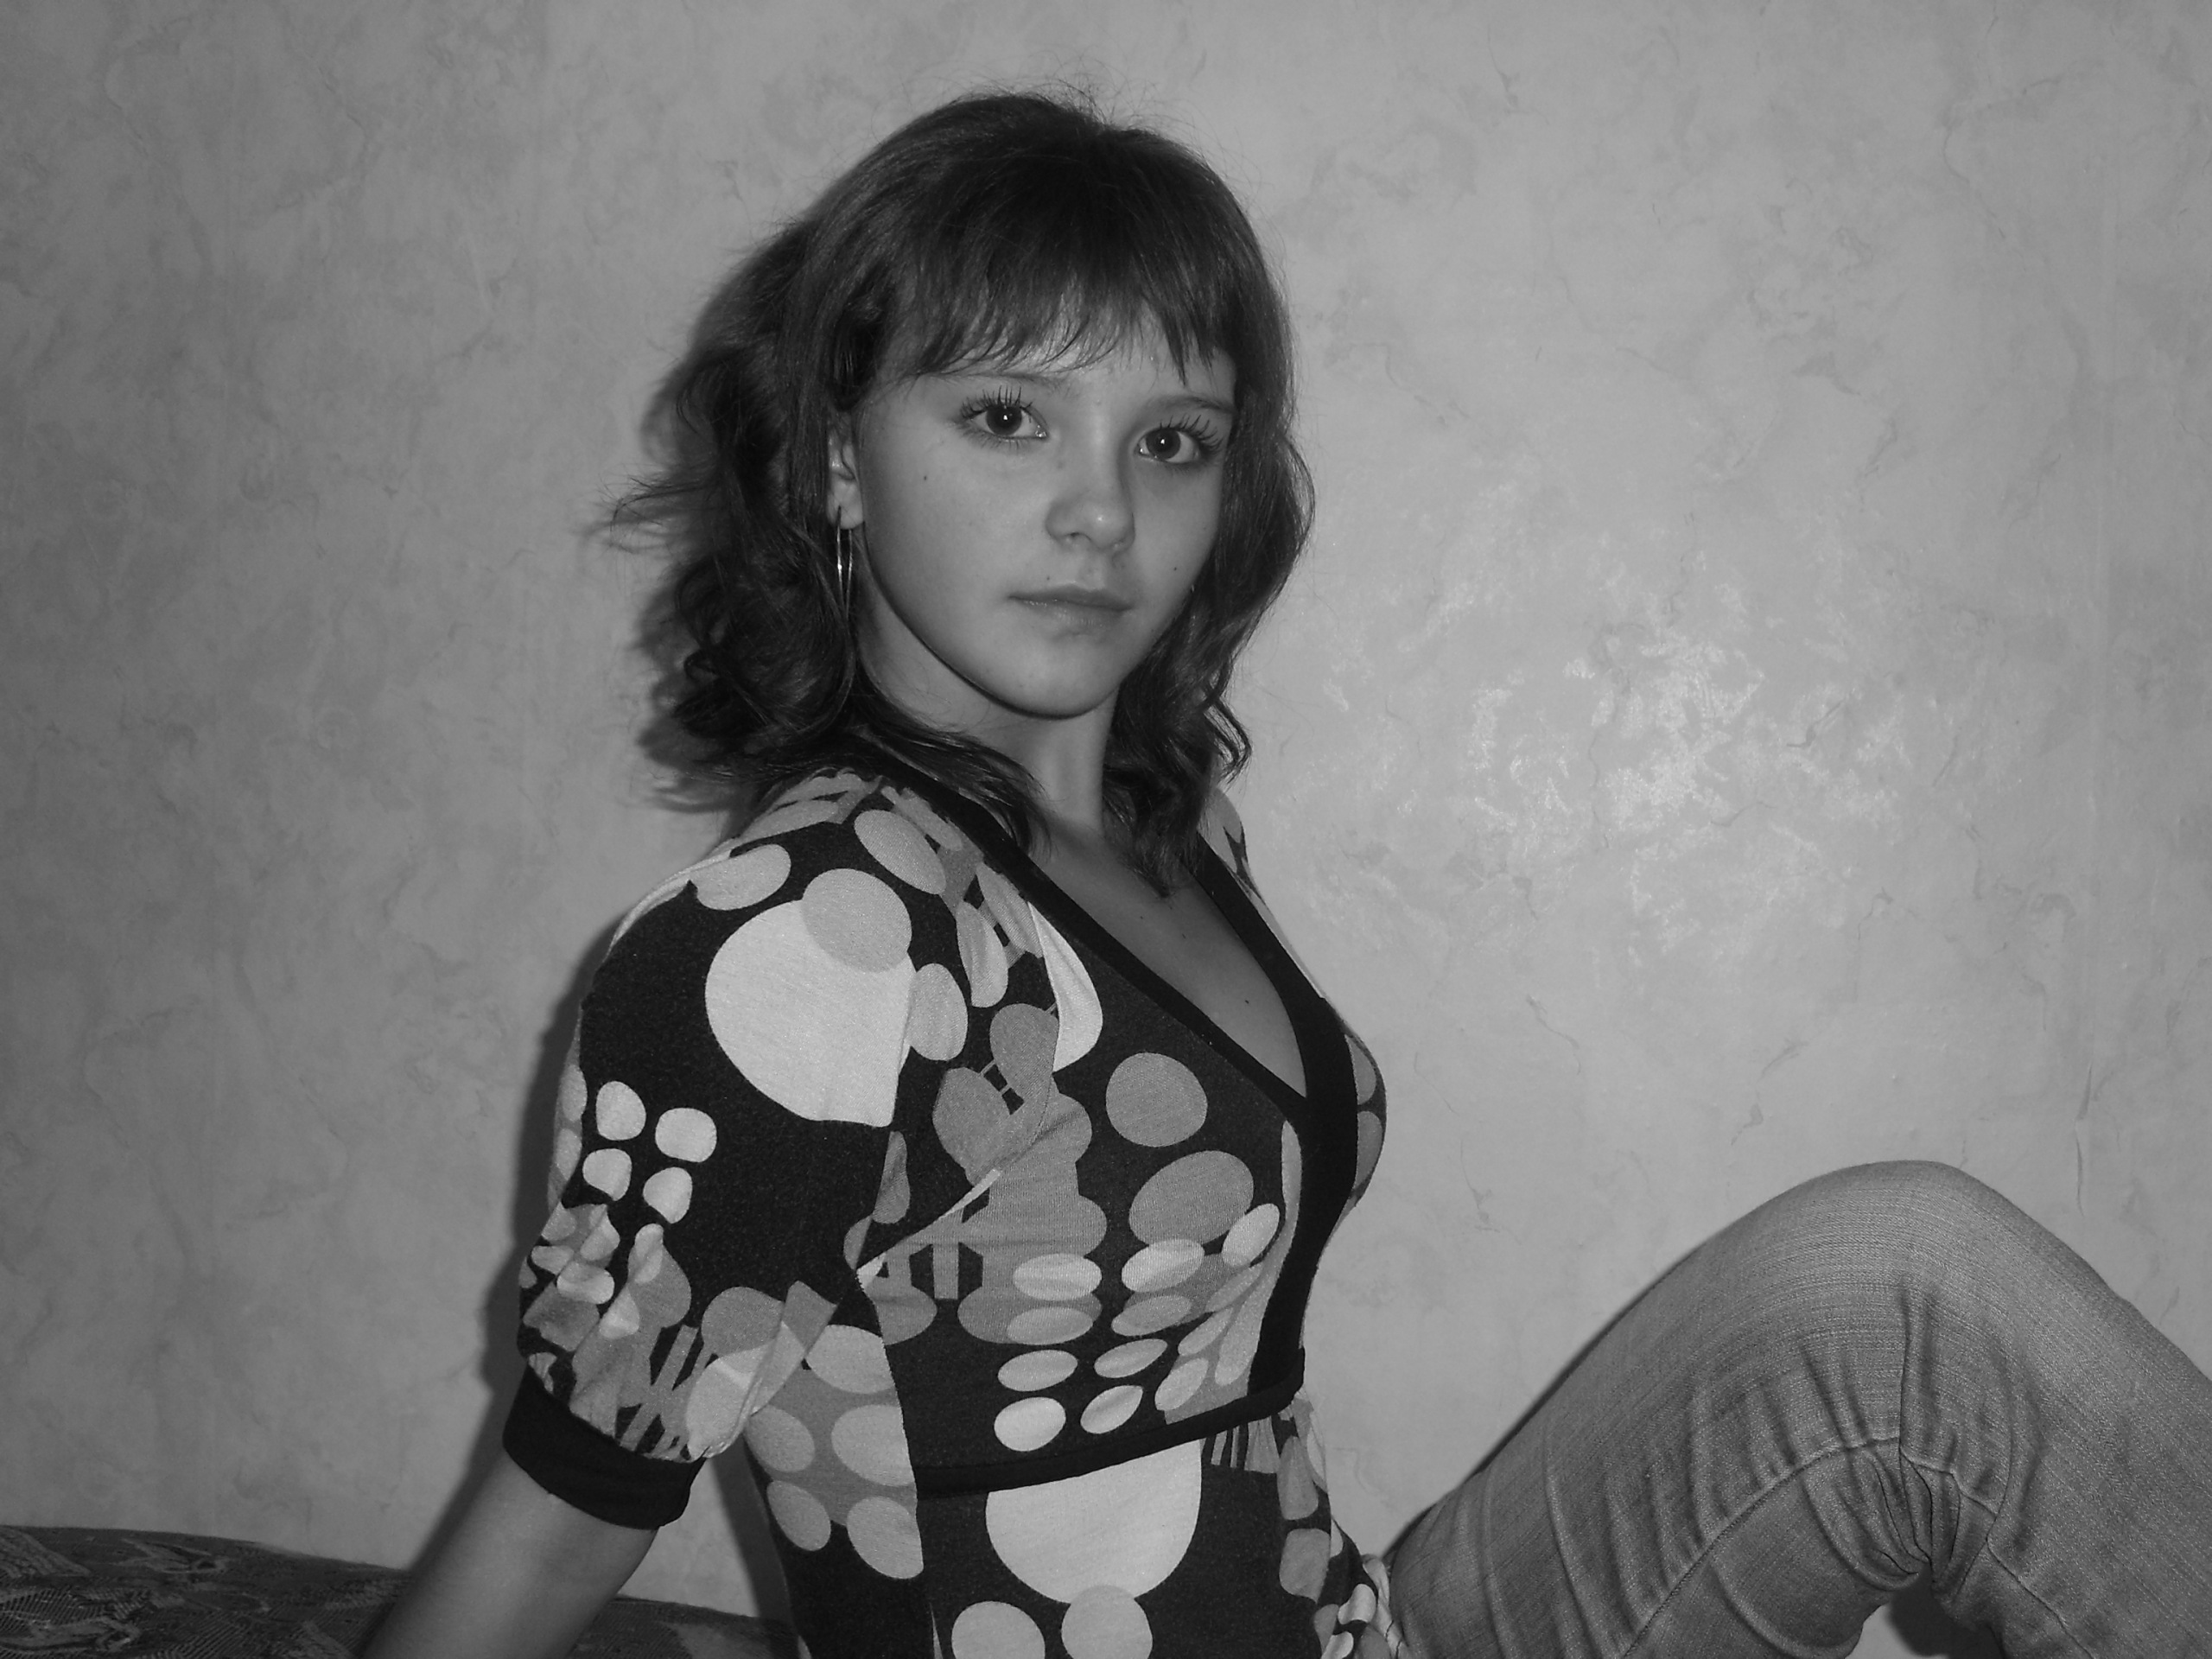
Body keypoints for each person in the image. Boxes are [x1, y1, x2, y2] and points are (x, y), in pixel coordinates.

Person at [365, 90, 2212, 1659]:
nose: (1101, 511)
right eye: (1006, 418)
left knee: (1897, 1297)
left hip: (1353, 1627)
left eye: (1169, 442)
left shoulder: (1166, 834)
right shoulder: (799, 943)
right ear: (841, 459)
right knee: (1909, 1297)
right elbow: (550, 1530)